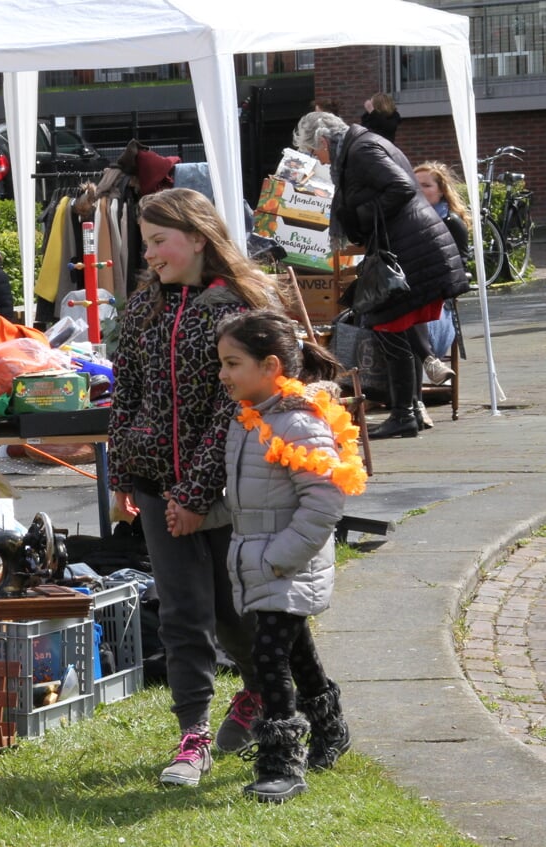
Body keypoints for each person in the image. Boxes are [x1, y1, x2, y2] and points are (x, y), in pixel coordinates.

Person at [106, 187, 275, 787]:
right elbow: (124, 396)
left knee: (233, 610)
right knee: (182, 611)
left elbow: (232, 411)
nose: (149, 254)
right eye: (145, 243)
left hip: (225, 491)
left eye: (159, 241)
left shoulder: (235, 310)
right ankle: (192, 734)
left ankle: (260, 694)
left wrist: (195, 495)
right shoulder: (143, 308)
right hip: (157, 487)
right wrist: (123, 476)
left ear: (199, 237)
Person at [215, 309, 362, 802]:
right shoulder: (249, 419)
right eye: (222, 363)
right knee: (297, 652)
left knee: (269, 654)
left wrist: (280, 558)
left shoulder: (299, 423)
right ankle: (329, 728)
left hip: (286, 561)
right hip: (260, 557)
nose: (223, 374)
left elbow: (325, 500)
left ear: (270, 365)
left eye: (233, 363)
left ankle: (281, 758)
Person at [292, 111, 469, 439]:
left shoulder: (362, 150)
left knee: (388, 326)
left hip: (408, 249)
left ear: (324, 141)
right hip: (410, 247)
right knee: (396, 329)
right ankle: (410, 411)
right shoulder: (364, 145)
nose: (316, 158)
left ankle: (404, 414)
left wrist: (362, 214)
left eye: (315, 151)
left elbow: (401, 188)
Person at [413, 160, 468, 390]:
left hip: (438, 296)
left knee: (406, 314)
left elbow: (460, 266)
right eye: (416, 185)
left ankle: (412, 402)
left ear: (441, 190)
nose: (420, 191)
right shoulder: (407, 219)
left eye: (426, 185)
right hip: (413, 291)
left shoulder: (451, 222)